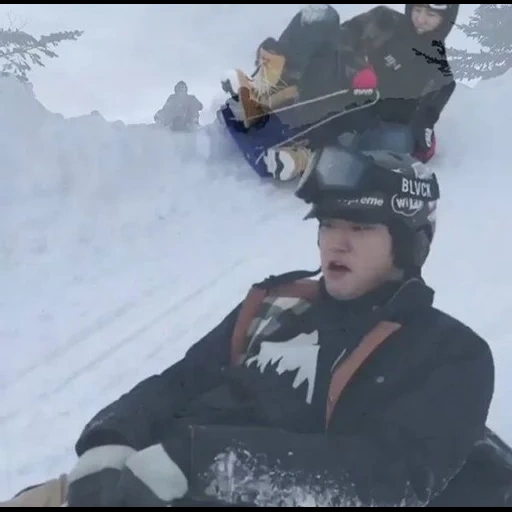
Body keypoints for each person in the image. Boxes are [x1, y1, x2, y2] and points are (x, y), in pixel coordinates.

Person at [7, 147, 511, 508]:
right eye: (329, 226)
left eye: (359, 229)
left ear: (408, 244)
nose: (337, 244)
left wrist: (200, 461)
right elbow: (184, 379)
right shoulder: (279, 303)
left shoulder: (446, 352)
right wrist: (110, 439)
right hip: (147, 480)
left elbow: (383, 480)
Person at [219, 4, 458, 181]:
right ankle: (264, 90)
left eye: (431, 15)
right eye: (418, 10)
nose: (421, 19)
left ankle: (306, 157)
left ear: (446, 20)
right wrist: (358, 68)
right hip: (328, 83)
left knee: (397, 141)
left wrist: (418, 133)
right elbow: (343, 36)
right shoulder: (385, 21)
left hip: (361, 118)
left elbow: (421, 124)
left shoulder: (440, 73)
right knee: (322, 14)